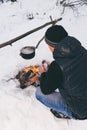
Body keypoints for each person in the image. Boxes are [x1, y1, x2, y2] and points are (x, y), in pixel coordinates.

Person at [35, 25, 87, 120]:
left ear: (51, 46)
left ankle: (66, 113)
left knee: (39, 93)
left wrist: (43, 73)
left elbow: (46, 89)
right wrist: (54, 71)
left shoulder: (58, 66)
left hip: (81, 111)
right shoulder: (81, 51)